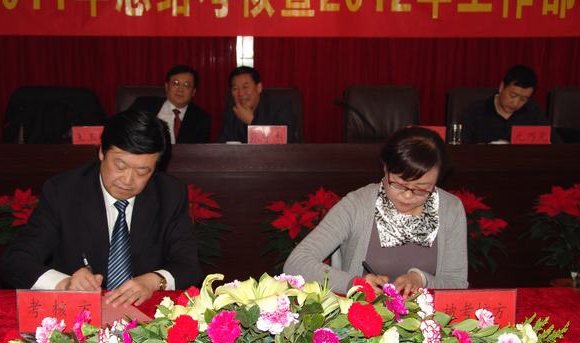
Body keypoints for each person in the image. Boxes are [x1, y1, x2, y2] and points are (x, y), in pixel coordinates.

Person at [0, 109, 202, 306]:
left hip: (144, 313)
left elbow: (189, 265)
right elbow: (16, 260)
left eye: (142, 172)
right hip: (78, 313)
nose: (127, 180)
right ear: (101, 152)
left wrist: (153, 281)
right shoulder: (63, 192)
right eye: (120, 166)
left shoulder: (169, 194)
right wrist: (64, 283)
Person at [283, 127, 468, 297]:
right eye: (398, 184)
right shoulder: (357, 205)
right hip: (361, 315)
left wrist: (422, 280)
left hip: (427, 318)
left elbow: (457, 283)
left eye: (421, 188)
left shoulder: (450, 209)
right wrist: (352, 283)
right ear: (385, 168)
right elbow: (296, 263)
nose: (407, 196)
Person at [461, 64, 557, 144]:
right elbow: (461, 148)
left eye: (523, 99)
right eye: (513, 95)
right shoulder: (475, 112)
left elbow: (556, 144)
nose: (516, 103)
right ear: (502, 87)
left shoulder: (534, 113)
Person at [130, 65, 211, 144]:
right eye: (176, 83)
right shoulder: (143, 104)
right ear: (167, 86)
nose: (180, 89)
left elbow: (198, 151)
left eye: (186, 85)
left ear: (193, 92)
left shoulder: (201, 119)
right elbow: (126, 131)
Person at [217, 66, 297, 143]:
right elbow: (221, 144)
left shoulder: (281, 106)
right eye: (235, 89)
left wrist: (252, 121)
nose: (240, 93)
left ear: (259, 87)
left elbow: (285, 141)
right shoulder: (232, 111)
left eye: (245, 87)